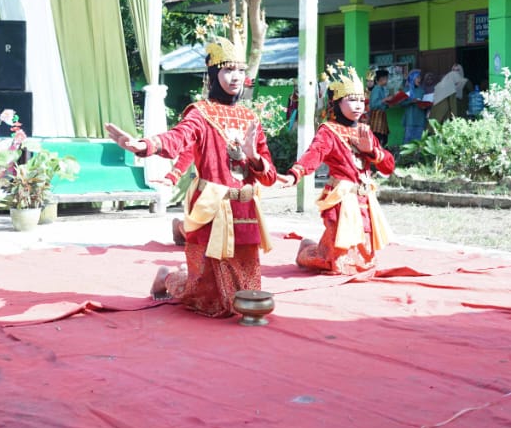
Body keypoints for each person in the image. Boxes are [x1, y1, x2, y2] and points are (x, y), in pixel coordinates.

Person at [104, 35, 277, 318]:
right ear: (213, 75)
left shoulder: (250, 118)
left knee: (242, 299)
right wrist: (144, 145)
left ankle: (186, 275)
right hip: (213, 209)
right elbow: (179, 137)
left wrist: (254, 157)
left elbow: (268, 174)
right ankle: (168, 277)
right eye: (227, 70)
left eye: (240, 70)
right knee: (212, 301)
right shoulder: (200, 113)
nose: (235, 77)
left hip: (244, 210)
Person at [277, 63, 395, 275]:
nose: (358, 105)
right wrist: (295, 174)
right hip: (342, 199)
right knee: (338, 263)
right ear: (337, 103)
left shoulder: (365, 131)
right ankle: (307, 251)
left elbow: (388, 166)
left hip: (365, 199)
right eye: (351, 99)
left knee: (365, 263)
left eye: (361, 100)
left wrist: (372, 152)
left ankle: (317, 248)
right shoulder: (329, 130)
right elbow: (314, 154)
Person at [399, 68, 428, 145]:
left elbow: (425, 102)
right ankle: (406, 157)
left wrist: (425, 105)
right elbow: (401, 104)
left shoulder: (422, 90)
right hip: (410, 119)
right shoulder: (406, 90)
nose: (420, 79)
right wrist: (411, 101)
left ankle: (416, 157)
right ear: (412, 78)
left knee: (419, 142)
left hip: (420, 119)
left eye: (420, 78)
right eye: (417, 77)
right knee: (408, 142)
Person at [367, 68, 391, 147]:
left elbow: (381, 103)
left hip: (381, 116)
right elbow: (373, 105)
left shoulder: (382, 89)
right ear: (380, 79)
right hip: (377, 117)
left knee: (383, 138)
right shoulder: (377, 89)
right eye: (385, 78)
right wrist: (385, 100)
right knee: (378, 138)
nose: (387, 80)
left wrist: (389, 103)